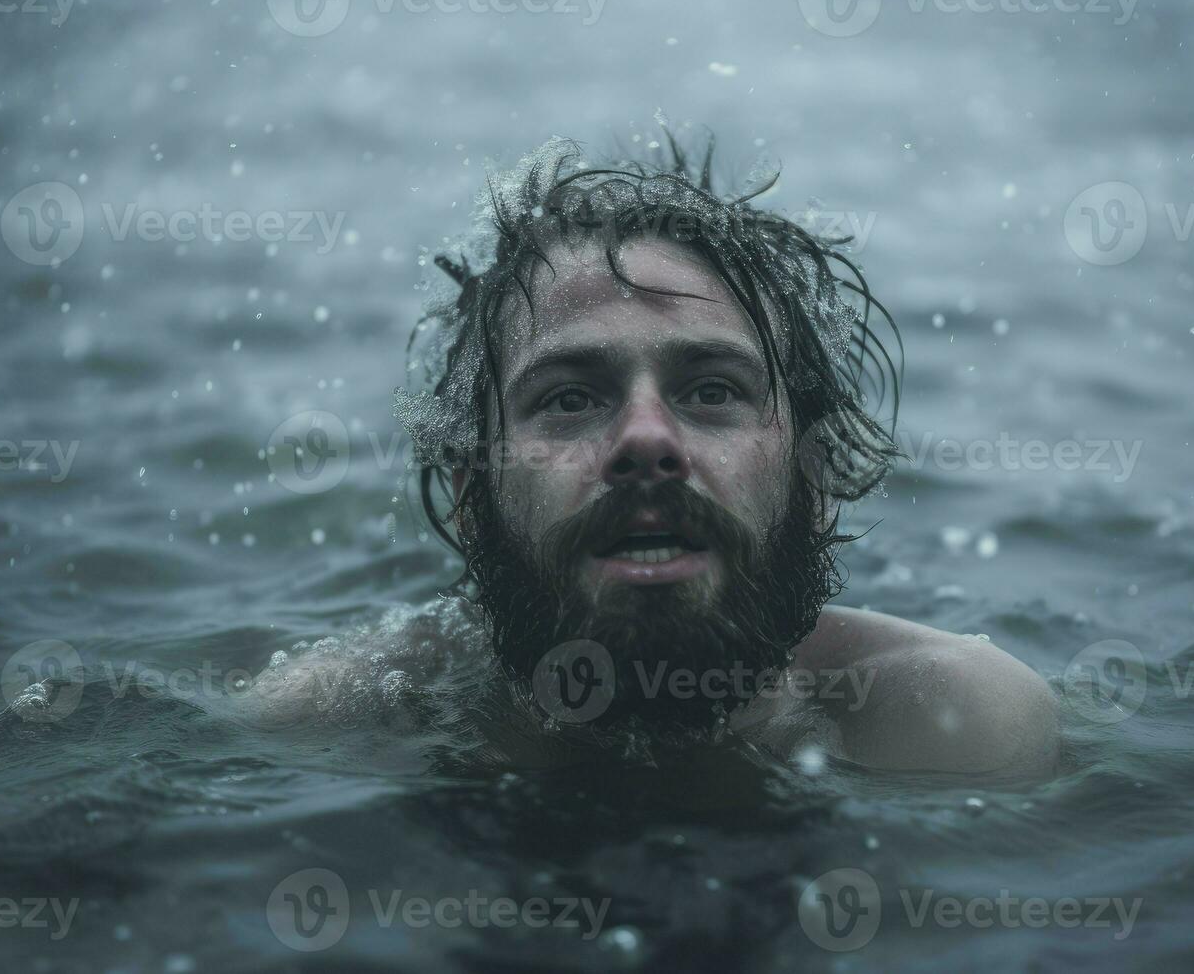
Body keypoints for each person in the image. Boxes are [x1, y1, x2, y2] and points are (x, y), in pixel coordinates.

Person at [253, 136, 1058, 780]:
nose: (646, 439)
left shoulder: (952, 727)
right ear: (473, 498)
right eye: (570, 399)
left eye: (711, 390)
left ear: (812, 481)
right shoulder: (327, 723)